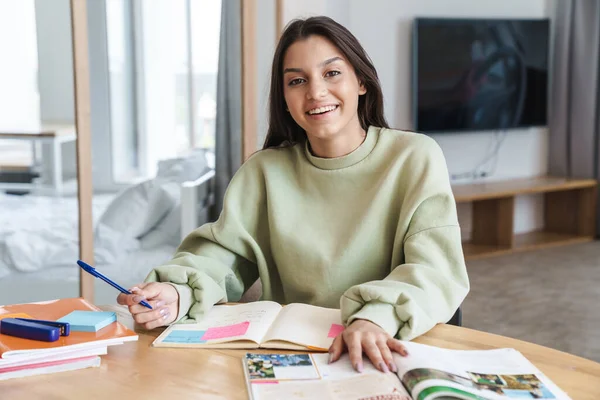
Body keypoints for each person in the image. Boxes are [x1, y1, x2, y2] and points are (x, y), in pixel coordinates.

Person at [118, 15, 469, 374]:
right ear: (284, 98)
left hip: (382, 348)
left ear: (361, 81)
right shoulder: (264, 172)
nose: (315, 92)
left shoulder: (414, 157)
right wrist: (178, 291)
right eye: (297, 81)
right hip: (295, 357)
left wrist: (374, 319)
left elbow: (436, 269)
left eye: (332, 73)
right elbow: (221, 256)